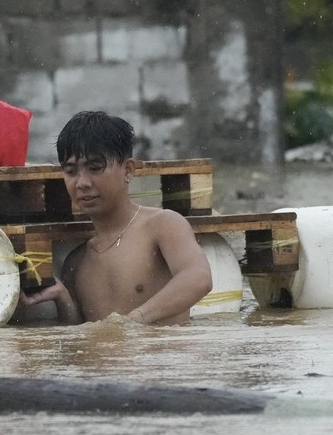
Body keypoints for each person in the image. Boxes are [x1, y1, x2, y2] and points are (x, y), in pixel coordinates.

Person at [19, 111, 212, 325]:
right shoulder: (77, 261)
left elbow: (199, 278)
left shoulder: (162, 225)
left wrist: (133, 321)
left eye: (95, 168)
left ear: (128, 170)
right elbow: (80, 333)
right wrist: (62, 298)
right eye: (71, 171)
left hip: (162, 357)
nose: (82, 183)